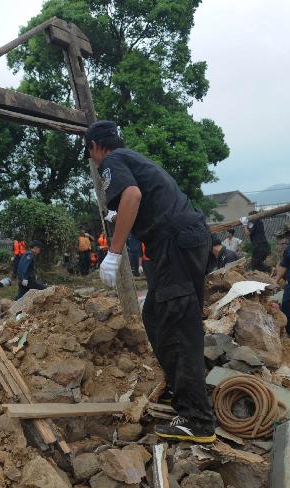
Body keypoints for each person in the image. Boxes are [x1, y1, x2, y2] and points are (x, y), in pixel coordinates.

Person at [86, 120, 216, 443]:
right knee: (156, 315)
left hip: (175, 243)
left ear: (95, 147)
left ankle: (197, 418)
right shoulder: (131, 158)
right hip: (182, 241)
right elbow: (139, 199)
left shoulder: (112, 161)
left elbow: (131, 194)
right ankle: (183, 392)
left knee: (178, 321)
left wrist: (114, 252)